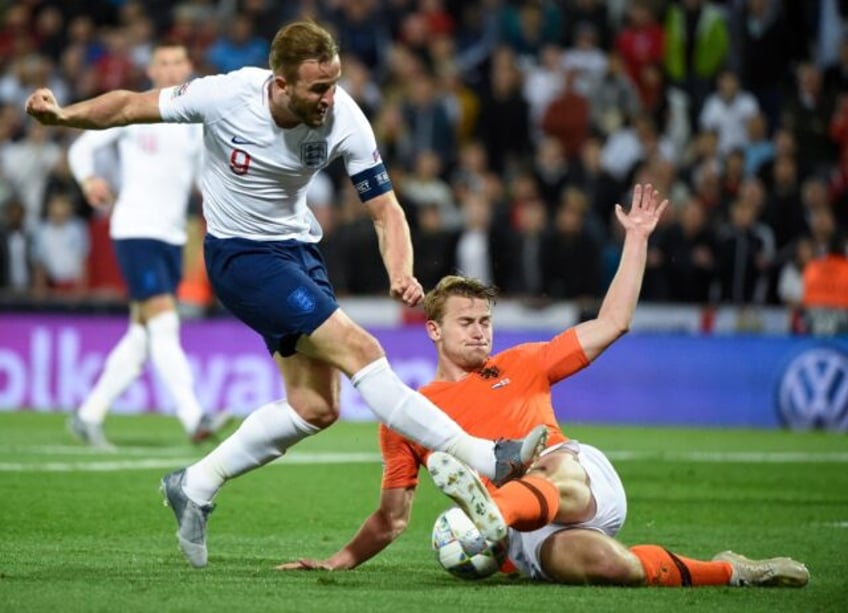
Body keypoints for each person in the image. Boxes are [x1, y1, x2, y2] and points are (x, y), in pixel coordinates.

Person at [25, 20, 545, 568]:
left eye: (335, 83)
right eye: (318, 88)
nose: (330, 97)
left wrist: (402, 269)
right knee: (363, 352)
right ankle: (486, 457)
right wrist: (64, 116)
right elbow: (129, 106)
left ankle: (194, 484)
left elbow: (386, 210)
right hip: (240, 257)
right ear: (280, 82)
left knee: (316, 407)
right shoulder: (226, 95)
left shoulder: (345, 116)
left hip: (299, 253)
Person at [279, 184, 809, 589]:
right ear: (434, 330)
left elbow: (612, 322)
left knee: (548, 462)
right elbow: (392, 519)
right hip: (530, 537)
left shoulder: (526, 362)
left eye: (486, 320)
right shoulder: (409, 414)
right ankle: (732, 571)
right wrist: (338, 560)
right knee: (605, 566)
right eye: (468, 322)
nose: (481, 330)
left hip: (581, 485)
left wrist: (637, 240)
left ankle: (494, 512)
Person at [65, 42, 230, 450]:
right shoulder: (135, 110)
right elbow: (82, 146)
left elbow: (201, 180)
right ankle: (194, 417)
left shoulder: (195, 120)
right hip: (136, 229)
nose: (173, 70)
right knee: (164, 322)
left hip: (172, 236)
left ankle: (88, 415)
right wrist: (88, 180)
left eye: (179, 62)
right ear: (152, 71)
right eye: (164, 63)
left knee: (142, 335)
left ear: (190, 66)